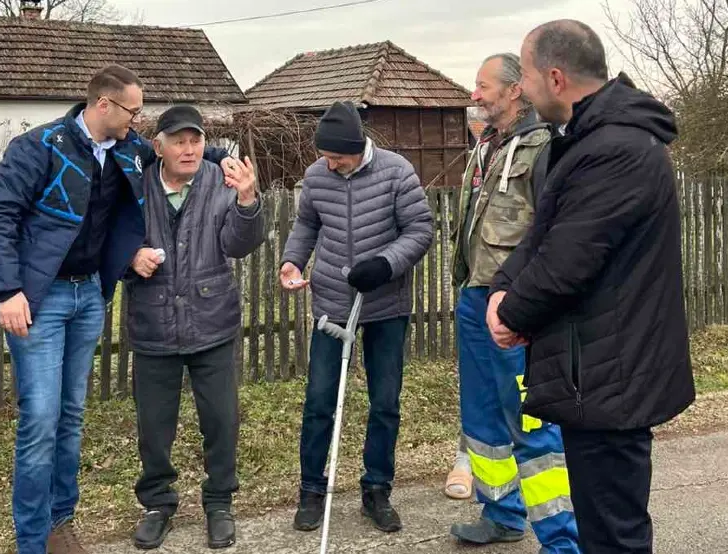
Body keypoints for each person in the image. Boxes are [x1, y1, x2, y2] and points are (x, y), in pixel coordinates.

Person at [0, 65, 229, 554]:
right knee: (40, 419)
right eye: (132, 111)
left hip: (89, 294)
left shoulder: (126, 150)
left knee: (70, 414)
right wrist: (7, 289)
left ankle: (59, 523)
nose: (138, 121)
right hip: (38, 300)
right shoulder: (39, 147)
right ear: (103, 106)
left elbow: (182, 151)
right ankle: (31, 542)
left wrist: (225, 161)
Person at [486, 20, 696, 554]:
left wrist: (513, 314)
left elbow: (568, 261)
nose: (524, 91)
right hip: (593, 368)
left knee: (614, 532)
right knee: (601, 520)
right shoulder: (582, 142)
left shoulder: (619, 149)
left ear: (554, 78)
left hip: (613, 372)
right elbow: (543, 233)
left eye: (527, 77)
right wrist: (502, 288)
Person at [445, 53, 579, 553]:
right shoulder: (487, 145)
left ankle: (562, 539)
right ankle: (501, 513)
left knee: (531, 421)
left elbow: (550, 233)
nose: (474, 95)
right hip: (473, 297)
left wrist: (527, 302)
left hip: (516, 304)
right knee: (481, 418)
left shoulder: (544, 146)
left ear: (514, 90)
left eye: (483, 86)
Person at [280, 101, 434, 534]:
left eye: (336, 157)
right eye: (325, 157)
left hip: (385, 303)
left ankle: (377, 490)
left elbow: (421, 230)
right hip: (332, 299)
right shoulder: (316, 176)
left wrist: (385, 264)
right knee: (319, 401)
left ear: (358, 147)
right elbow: (306, 224)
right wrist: (292, 261)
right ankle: (311, 489)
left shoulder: (397, 171)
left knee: (385, 403)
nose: (329, 164)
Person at [125, 105, 264, 550]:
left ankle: (220, 502)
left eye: (196, 140)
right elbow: (108, 238)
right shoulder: (135, 187)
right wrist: (129, 258)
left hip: (212, 324)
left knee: (221, 420)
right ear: (159, 146)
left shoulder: (220, 182)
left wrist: (246, 201)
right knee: (154, 425)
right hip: (153, 325)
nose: (189, 149)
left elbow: (239, 246)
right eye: (179, 141)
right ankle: (157, 504)